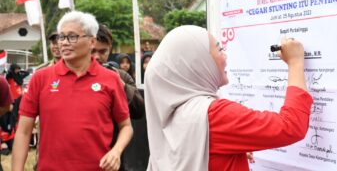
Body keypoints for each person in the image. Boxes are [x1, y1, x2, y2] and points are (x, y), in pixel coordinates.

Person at [144, 26, 313, 170]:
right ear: (198, 63)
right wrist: (295, 62)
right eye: (219, 50)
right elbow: (291, 126)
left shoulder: (172, 110)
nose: (225, 57)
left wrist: (229, 146)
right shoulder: (213, 114)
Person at [12, 11, 133, 171]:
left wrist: (116, 151)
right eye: (61, 37)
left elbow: (126, 126)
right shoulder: (40, 78)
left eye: (72, 37)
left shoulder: (110, 79)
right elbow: (23, 132)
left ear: (91, 41)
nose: (64, 43)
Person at [92, 24, 145, 171]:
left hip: (113, 153)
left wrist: (120, 85)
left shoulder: (121, 75)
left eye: (103, 52)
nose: (97, 57)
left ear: (110, 49)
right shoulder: (76, 76)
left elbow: (139, 110)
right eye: (93, 51)